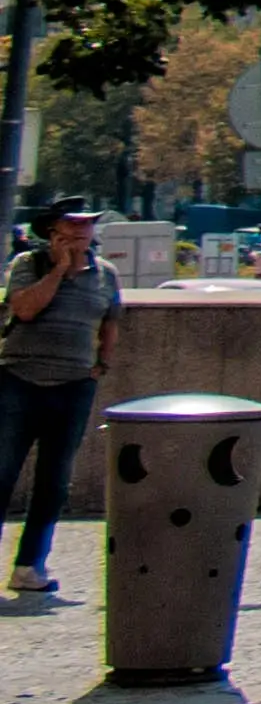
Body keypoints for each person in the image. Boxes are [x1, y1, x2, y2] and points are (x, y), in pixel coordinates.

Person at [1, 205, 124, 596]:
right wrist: (58, 270)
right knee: (2, 474)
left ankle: (29, 566)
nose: (81, 231)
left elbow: (110, 322)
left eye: (86, 224)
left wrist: (101, 364)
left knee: (54, 482)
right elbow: (24, 308)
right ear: (52, 231)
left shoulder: (106, 273)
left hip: (73, 386)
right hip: (19, 380)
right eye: (72, 224)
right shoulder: (28, 264)